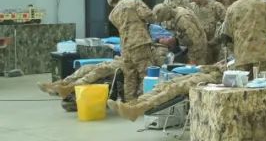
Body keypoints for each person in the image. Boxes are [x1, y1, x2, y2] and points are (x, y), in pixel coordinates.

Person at [39, 45, 170, 98]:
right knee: (86, 68)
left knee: (99, 71)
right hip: (118, 61)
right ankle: (59, 84)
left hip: (126, 68)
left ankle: (69, 87)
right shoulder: (138, 40)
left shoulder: (159, 51)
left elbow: (153, 67)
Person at [111, 62, 226, 121]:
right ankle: (133, 105)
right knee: (165, 84)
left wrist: (221, 66)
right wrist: (215, 65)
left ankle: (138, 109)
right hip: (208, 73)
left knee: (175, 88)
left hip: (218, 78)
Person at [107, 0, 154, 100]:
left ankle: (130, 103)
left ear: (112, 4)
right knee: (146, 73)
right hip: (139, 42)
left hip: (125, 47)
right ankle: (145, 101)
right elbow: (147, 15)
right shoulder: (134, 1)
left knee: (129, 76)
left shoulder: (112, 15)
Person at [221, 0, 266, 75]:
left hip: (241, 54)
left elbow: (228, 33)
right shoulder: (265, 3)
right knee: (264, 81)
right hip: (262, 53)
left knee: (243, 82)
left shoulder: (231, 8)